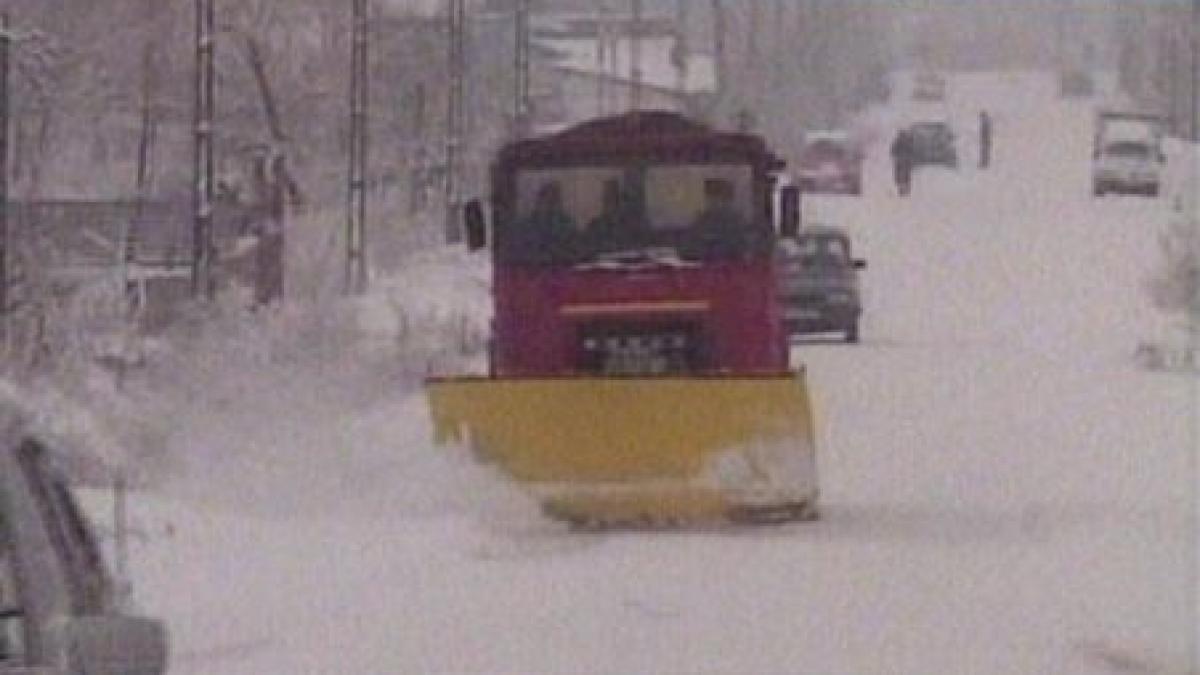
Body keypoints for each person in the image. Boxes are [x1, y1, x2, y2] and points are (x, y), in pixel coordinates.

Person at [890, 129, 914, 196]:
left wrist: (896, 156)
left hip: (901, 161)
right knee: (905, 175)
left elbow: (893, 151)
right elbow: (893, 151)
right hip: (903, 161)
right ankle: (904, 188)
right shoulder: (906, 141)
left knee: (901, 175)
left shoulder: (898, 141)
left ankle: (903, 189)